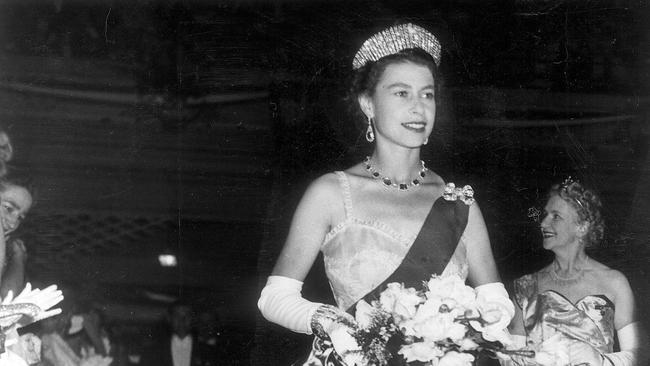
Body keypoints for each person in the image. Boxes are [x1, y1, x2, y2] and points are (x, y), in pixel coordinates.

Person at [257, 23, 514, 365]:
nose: (419, 107)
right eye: (401, 93)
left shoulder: (457, 202)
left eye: (427, 94)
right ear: (368, 104)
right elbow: (274, 297)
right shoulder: (331, 193)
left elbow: (496, 302)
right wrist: (332, 323)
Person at [507, 178, 647, 366]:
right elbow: (510, 358)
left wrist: (600, 361)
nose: (543, 223)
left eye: (555, 216)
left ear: (582, 227)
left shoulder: (614, 282)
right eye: (546, 214)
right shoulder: (525, 286)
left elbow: (640, 354)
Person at [140, 301, 217, 366]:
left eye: (187, 316)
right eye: (177, 316)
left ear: (193, 319)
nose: (182, 320)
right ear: (169, 319)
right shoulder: (153, 351)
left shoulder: (209, 352)